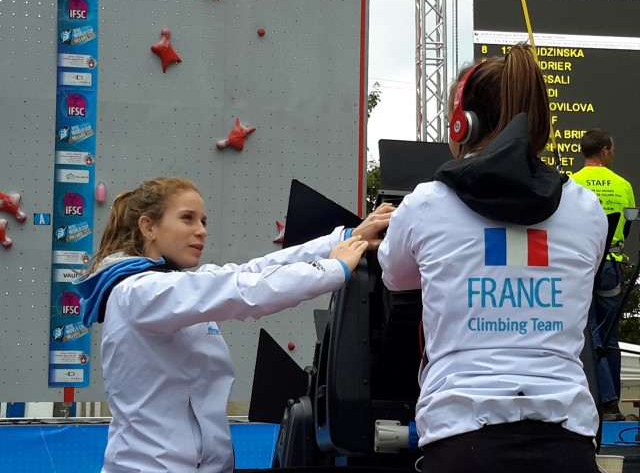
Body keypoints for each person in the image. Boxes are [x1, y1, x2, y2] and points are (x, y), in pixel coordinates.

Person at [378, 43, 606, 472]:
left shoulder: (426, 204)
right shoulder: (587, 209)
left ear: (461, 123)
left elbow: (396, 278)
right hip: (568, 442)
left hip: (461, 440)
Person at [74, 176, 394, 472]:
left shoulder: (175, 286)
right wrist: (334, 268)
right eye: (187, 218)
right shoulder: (138, 292)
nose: (201, 230)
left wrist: (347, 238)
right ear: (148, 226)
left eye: (203, 221)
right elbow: (246, 291)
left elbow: (254, 270)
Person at [572, 129, 636, 421]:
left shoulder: (571, 183)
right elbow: (627, 225)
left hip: (582, 263)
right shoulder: (623, 185)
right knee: (610, 334)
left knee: (590, 331)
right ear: (606, 150)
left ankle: (605, 399)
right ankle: (612, 402)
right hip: (611, 264)